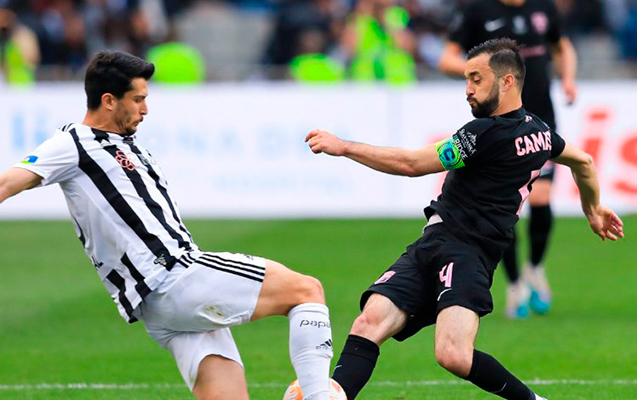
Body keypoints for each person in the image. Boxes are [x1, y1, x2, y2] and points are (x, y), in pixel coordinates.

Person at [0, 50, 335, 400]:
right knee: (306, 290)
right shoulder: (72, 144)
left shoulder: (128, 147)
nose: (145, 109)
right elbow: (7, 182)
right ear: (109, 101)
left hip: (158, 306)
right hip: (174, 277)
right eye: (138, 99)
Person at [306, 38, 623, 400]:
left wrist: (344, 146)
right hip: (432, 244)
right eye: (467, 80)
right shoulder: (539, 132)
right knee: (369, 322)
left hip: (468, 253)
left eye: (476, 79)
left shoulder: (482, 134)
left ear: (506, 81)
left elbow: (411, 164)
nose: (468, 90)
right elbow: (584, 161)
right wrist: (593, 209)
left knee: (453, 354)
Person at [438, 0, 579, 318]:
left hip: (540, 121)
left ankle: (535, 268)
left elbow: (562, 46)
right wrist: (482, 75)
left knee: (541, 199)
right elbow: (446, 58)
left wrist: (568, 78)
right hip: (498, 127)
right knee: (507, 208)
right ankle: (515, 285)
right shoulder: (477, 11)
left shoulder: (543, 7)